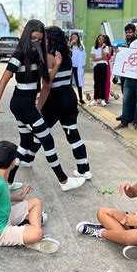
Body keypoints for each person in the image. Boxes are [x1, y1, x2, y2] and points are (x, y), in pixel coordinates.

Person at [0, 19, 85, 192]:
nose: (37, 42)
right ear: (26, 36)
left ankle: (7, 182)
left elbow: (47, 82)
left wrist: (57, 65)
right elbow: (4, 79)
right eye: (33, 38)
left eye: (40, 39)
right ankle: (63, 181)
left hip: (24, 105)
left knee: (25, 142)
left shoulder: (38, 55)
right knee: (47, 139)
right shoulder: (19, 55)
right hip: (22, 105)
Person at [0, 140, 60, 267]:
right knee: (38, 234)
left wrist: (19, 197)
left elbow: (1, 195)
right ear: (14, 162)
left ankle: (29, 231)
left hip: (4, 217)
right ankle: (33, 240)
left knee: (36, 202)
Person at [38, 26, 92, 180]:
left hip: (54, 100)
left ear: (50, 38)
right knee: (72, 133)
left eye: (46, 37)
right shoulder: (67, 56)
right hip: (68, 97)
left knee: (40, 131)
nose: (44, 40)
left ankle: (26, 159)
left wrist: (39, 105)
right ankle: (84, 169)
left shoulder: (49, 58)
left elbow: (47, 84)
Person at [90, 34, 112, 106]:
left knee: (103, 83)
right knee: (96, 83)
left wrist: (102, 49)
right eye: (99, 39)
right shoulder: (93, 48)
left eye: (102, 39)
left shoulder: (106, 48)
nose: (101, 40)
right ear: (97, 40)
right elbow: (94, 59)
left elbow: (105, 58)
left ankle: (103, 99)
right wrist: (100, 59)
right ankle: (96, 98)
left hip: (104, 66)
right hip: (96, 66)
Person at [69, 32, 86, 105]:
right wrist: (70, 45)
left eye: (75, 37)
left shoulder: (81, 46)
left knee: (79, 82)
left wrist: (82, 65)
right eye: (72, 37)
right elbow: (66, 53)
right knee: (69, 83)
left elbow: (84, 56)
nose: (74, 39)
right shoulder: (70, 46)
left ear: (78, 38)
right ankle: (69, 98)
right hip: (70, 67)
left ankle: (81, 98)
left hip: (77, 67)